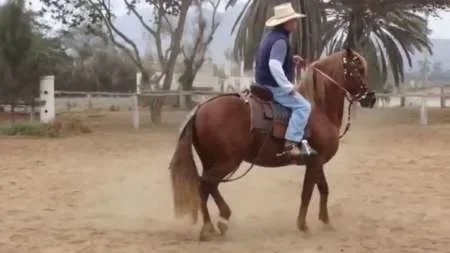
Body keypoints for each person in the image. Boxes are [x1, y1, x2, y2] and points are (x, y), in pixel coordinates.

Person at [254, 2, 317, 158]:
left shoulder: (270, 36)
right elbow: (274, 64)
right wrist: (288, 87)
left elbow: (273, 59)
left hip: (262, 82)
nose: (295, 23)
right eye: (293, 20)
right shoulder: (281, 40)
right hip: (274, 87)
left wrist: (290, 59)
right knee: (304, 106)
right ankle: (290, 144)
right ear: (286, 22)